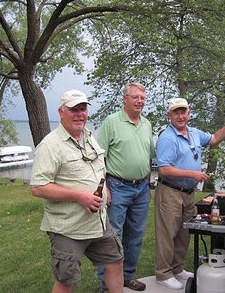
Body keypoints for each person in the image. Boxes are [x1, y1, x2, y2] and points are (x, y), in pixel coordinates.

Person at [30, 89, 124, 293]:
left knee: (115, 261)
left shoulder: (89, 136)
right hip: (68, 228)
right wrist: (80, 196)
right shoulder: (50, 145)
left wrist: (104, 187)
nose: (80, 114)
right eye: (74, 109)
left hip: (98, 222)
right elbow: (38, 187)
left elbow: (98, 167)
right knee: (67, 278)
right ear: (61, 112)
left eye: (83, 109)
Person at [155, 97, 225, 290]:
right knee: (168, 233)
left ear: (189, 113)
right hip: (170, 191)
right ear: (169, 115)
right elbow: (164, 169)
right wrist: (193, 174)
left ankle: (177, 268)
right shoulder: (167, 138)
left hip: (188, 193)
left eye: (183, 112)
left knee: (184, 232)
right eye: (176, 112)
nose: (180, 116)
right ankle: (163, 274)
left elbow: (213, 139)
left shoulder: (194, 133)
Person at [97, 82, 155, 292]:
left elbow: (148, 159)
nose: (140, 101)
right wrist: (105, 189)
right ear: (125, 99)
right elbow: (98, 158)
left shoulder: (147, 124)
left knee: (136, 235)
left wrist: (147, 185)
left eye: (142, 97)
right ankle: (107, 284)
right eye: (135, 97)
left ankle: (128, 276)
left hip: (140, 188)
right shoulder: (111, 122)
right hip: (117, 186)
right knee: (112, 238)